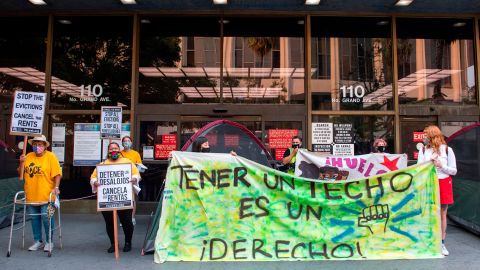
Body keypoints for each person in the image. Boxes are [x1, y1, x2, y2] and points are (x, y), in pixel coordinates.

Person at [90, 142, 140, 253]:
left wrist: (134, 179)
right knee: (110, 222)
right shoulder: (102, 164)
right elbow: (93, 177)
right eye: (112, 148)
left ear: (119, 149)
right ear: (108, 150)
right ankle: (113, 243)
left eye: (116, 148)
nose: (114, 150)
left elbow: (136, 174)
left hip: (124, 197)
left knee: (127, 221)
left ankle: (128, 242)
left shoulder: (127, 162)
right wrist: (95, 182)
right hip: (107, 199)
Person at [417, 125, 457, 256]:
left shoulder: (447, 149)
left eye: (425, 135)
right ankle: (428, 242)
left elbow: (454, 171)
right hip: (428, 182)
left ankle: (441, 243)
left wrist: (441, 165)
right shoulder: (423, 150)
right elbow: (418, 168)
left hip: (444, 182)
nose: (424, 138)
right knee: (427, 212)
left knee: (442, 214)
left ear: (432, 135)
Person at [18, 134, 62, 252]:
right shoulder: (28, 156)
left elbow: (57, 174)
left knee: (46, 217)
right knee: (34, 219)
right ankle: (38, 241)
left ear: (44, 146)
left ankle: (49, 241)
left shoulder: (51, 157)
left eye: (40, 144)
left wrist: (56, 187)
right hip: (31, 194)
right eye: (35, 144)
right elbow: (20, 175)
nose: (37, 146)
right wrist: (21, 162)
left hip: (47, 194)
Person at [120, 136, 142, 226]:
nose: (126, 142)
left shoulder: (135, 154)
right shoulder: (119, 153)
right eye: (125, 141)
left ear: (131, 142)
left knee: (132, 199)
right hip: (121, 179)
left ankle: (132, 218)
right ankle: (123, 219)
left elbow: (140, 166)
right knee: (122, 199)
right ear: (122, 143)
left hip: (132, 178)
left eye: (128, 141)